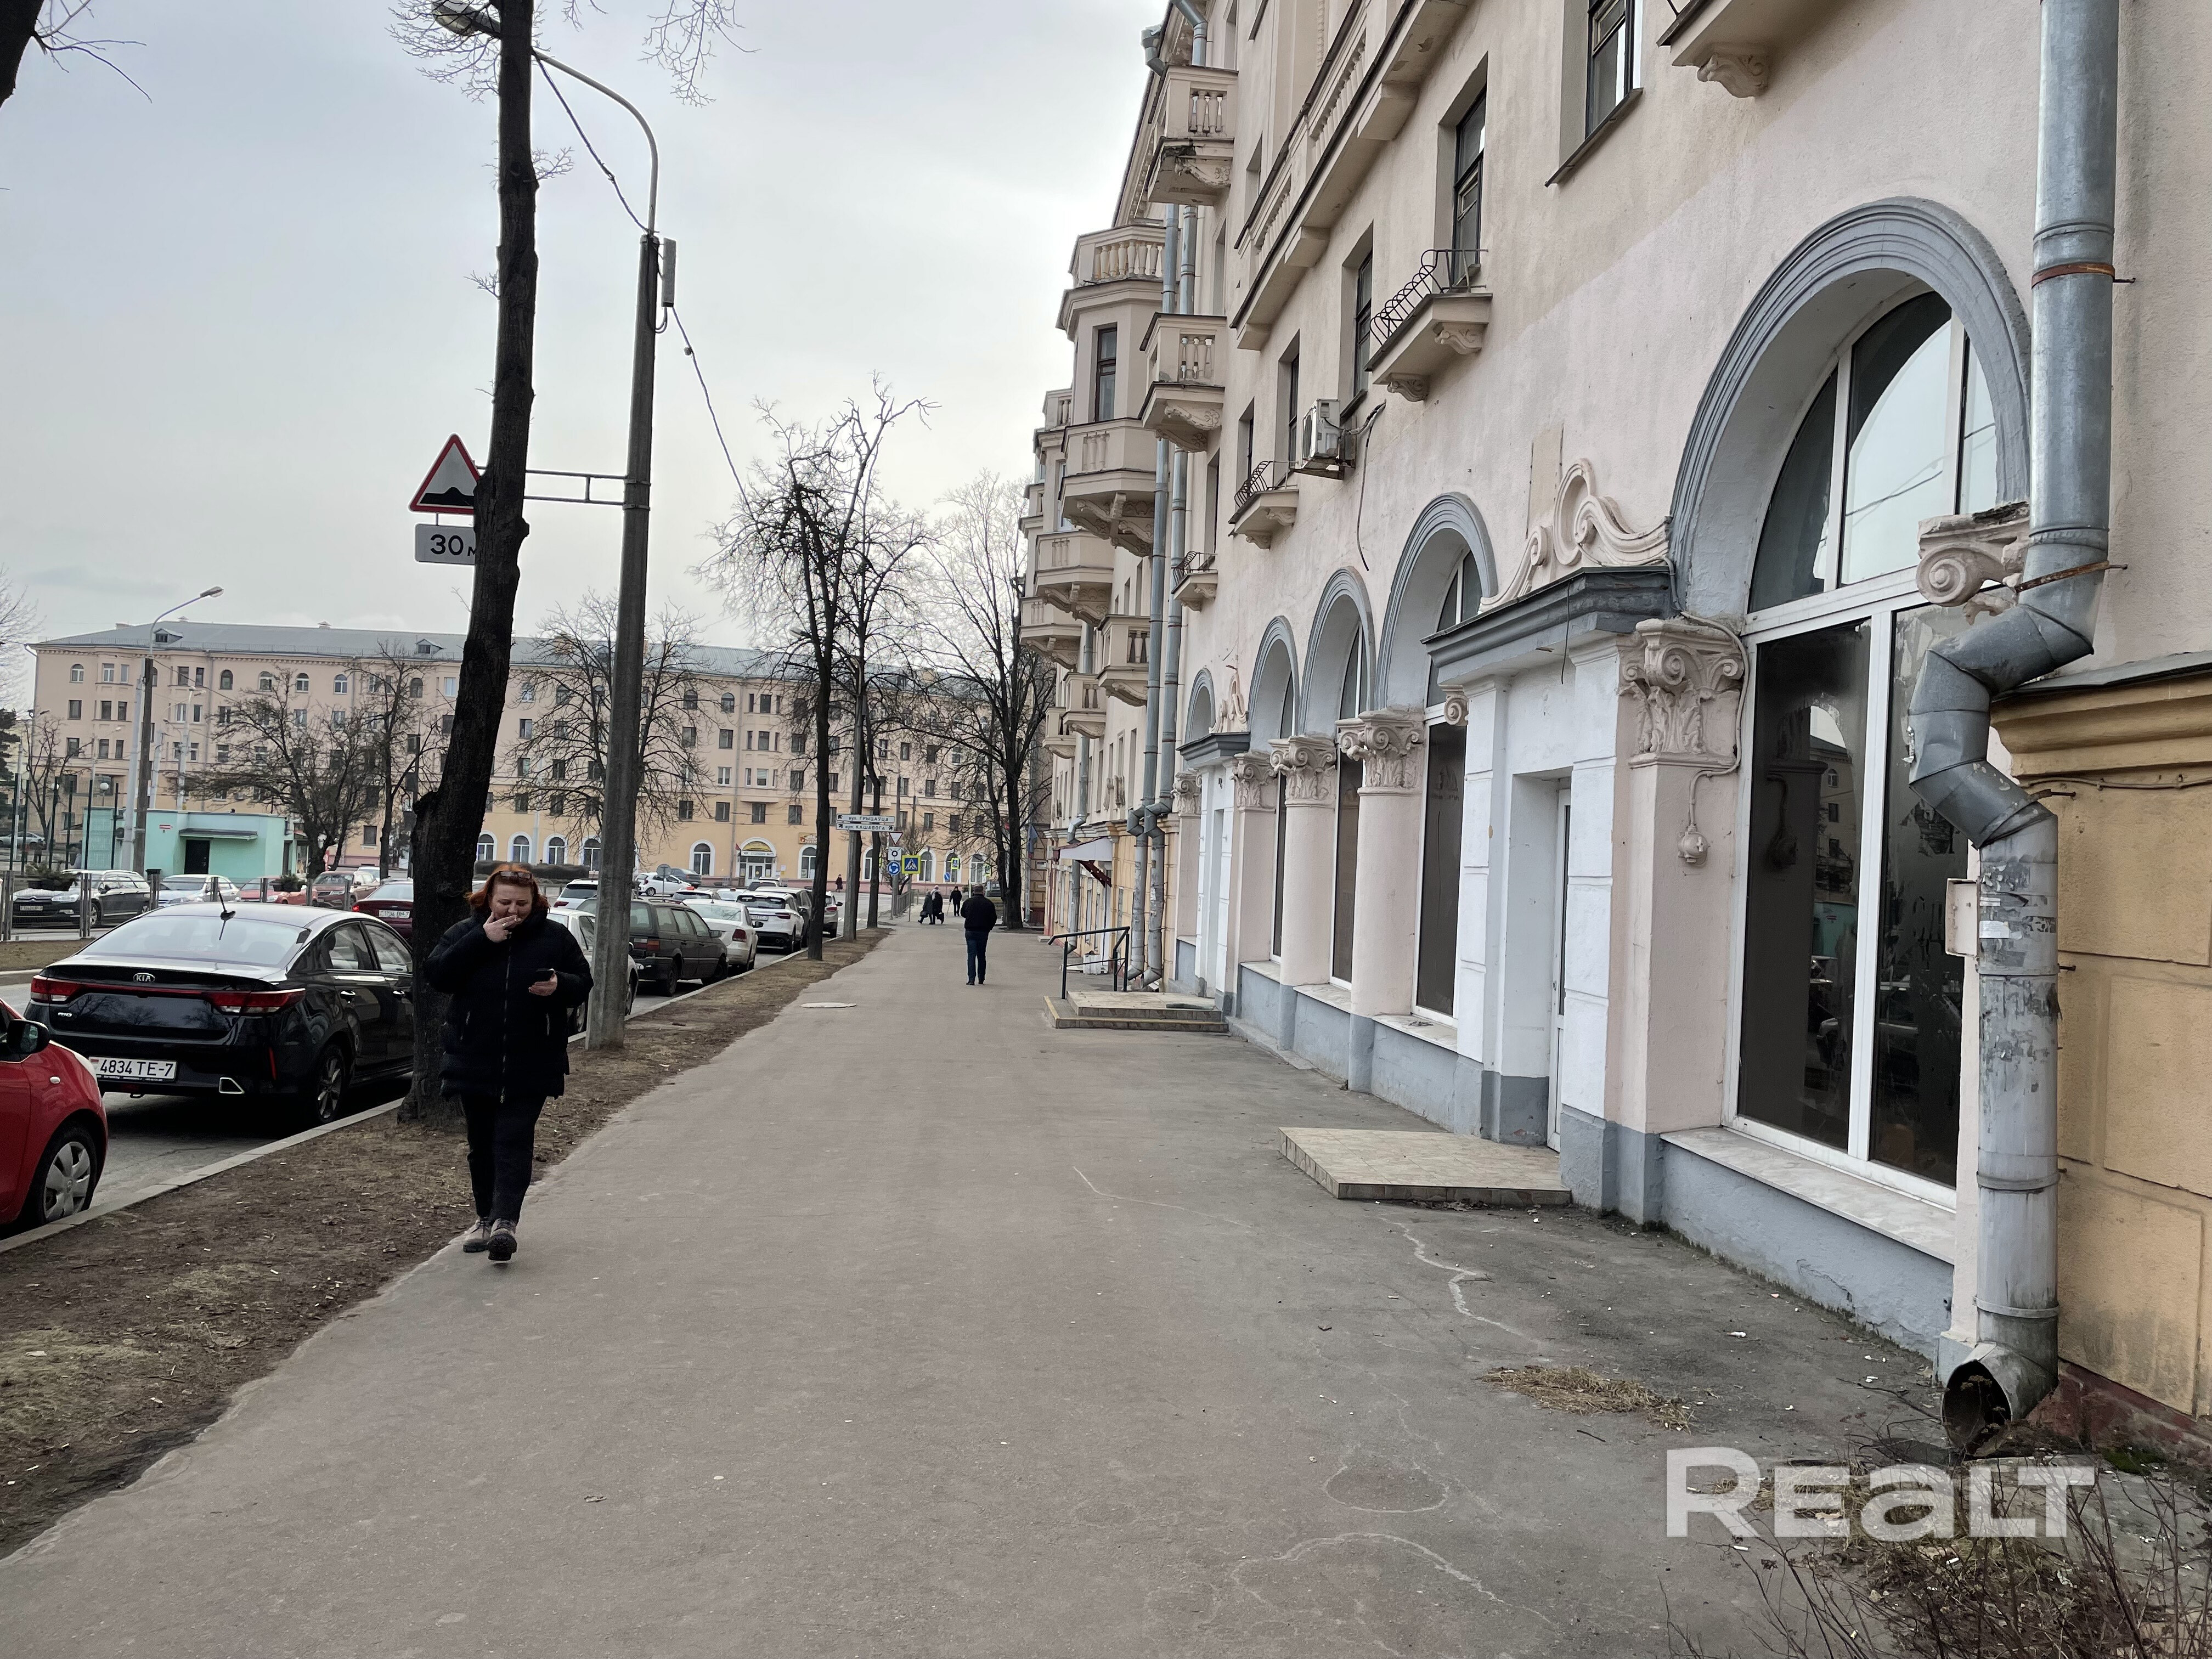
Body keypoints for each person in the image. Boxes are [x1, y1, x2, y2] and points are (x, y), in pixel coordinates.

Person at [425, 864, 592, 1263]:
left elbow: (582, 982)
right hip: (473, 1056)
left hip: (534, 1057)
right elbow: (438, 975)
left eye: (522, 903)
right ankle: (484, 1218)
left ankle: (505, 1223)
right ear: (488, 900)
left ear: (536, 902)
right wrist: (482, 940)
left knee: (514, 1138)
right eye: (504, 903)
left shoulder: (554, 937)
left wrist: (560, 985)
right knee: (481, 1143)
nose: (513, 911)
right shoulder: (465, 933)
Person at [960, 884, 997, 985]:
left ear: (974, 891)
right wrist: (989, 928)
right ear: (983, 892)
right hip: (983, 932)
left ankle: (971, 979)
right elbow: (994, 918)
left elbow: (963, 913)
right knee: (981, 955)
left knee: (971, 955)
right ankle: (981, 978)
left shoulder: (968, 902)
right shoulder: (988, 903)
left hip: (970, 931)